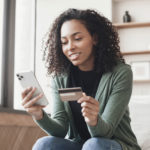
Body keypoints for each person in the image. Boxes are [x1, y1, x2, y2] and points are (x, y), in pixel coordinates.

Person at [21, 8, 141, 150]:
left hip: (113, 144)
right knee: (44, 144)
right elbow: (60, 130)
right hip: (80, 145)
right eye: (64, 42)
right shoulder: (60, 77)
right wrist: (39, 115)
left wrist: (93, 120)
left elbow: (106, 132)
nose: (70, 47)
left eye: (77, 39)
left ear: (95, 38)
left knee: (94, 145)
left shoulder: (120, 73)